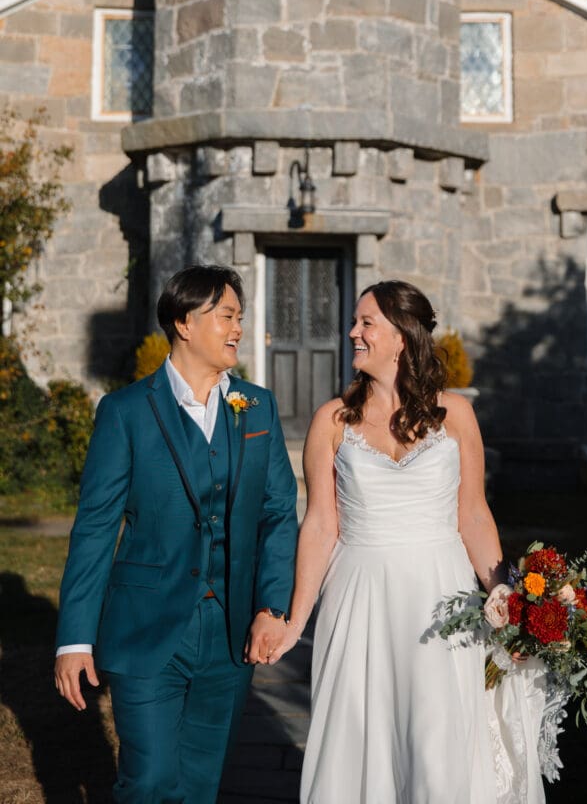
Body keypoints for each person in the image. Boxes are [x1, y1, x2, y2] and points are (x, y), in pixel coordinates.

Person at [268, 279, 545, 803]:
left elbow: (473, 514)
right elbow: (322, 524)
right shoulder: (331, 422)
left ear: (402, 337)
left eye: (366, 323)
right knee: (359, 732)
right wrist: (294, 623)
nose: (353, 333)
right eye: (356, 322)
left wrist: (502, 593)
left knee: (438, 735)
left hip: (440, 595)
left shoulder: (456, 414)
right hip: (359, 597)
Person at [54, 265, 298, 803]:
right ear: (185, 323)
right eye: (227, 316)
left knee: (200, 784)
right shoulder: (125, 412)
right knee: (148, 780)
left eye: (239, 316)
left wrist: (271, 606)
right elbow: (95, 528)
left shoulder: (256, 407)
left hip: (230, 631)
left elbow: (279, 513)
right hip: (145, 628)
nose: (238, 328)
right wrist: (75, 638)